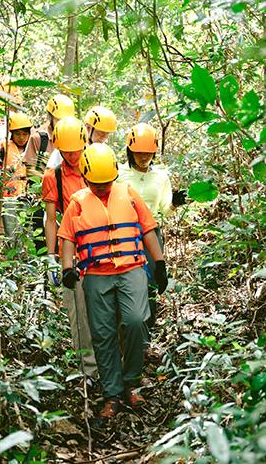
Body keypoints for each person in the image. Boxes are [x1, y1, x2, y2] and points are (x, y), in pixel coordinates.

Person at [58, 143, 169, 420]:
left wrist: (160, 264)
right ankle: (112, 393)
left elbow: (148, 229)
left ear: (115, 176)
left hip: (131, 269)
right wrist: (68, 268)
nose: (102, 187)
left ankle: (131, 382)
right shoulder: (77, 203)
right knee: (103, 334)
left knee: (135, 321)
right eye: (96, 183)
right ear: (85, 178)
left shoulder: (129, 194)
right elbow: (67, 238)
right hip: (96, 276)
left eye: (106, 182)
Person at [41, 116, 98, 380]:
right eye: (66, 151)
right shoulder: (54, 177)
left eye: (76, 149)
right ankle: (89, 371)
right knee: (79, 314)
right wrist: (51, 258)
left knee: (108, 310)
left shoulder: (98, 166)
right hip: (71, 253)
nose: (72, 155)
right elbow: (51, 219)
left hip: (101, 250)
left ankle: (112, 362)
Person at [117, 122, 186, 331]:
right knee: (126, 281)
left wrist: (174, 203)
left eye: (148, 152)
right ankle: (124, 328)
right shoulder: (119, 173)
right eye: (139, 152)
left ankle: (146, 332)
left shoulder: (161, 177)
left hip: (151, 234)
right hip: (124, 232)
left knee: (152, 282)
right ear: (130, 151)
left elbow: (164, 209)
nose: (144, 156)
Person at [23, 94, 76, 252]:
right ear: (50, 117)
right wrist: (52, 180)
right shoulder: (39, 138)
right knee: (44, 243)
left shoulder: (74, 137)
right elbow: (30, 169)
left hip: (67, 198)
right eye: (58, 119)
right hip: (43, 197)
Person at [0, 111, 33, 239]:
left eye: (24, 134)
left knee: (27, 231)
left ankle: (26, 257)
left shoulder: (33, 148)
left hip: (28, 195)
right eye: (18, 134)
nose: (21, 137)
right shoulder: (5, 147)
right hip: (9, 196)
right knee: (11, 231)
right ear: (12, 134)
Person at [46, 104, 117, 169]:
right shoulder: (69, 144)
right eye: (100, 133)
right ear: (88, 128)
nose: (104, 137)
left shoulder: (105, 152)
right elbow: (51, 169)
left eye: (107, 134)